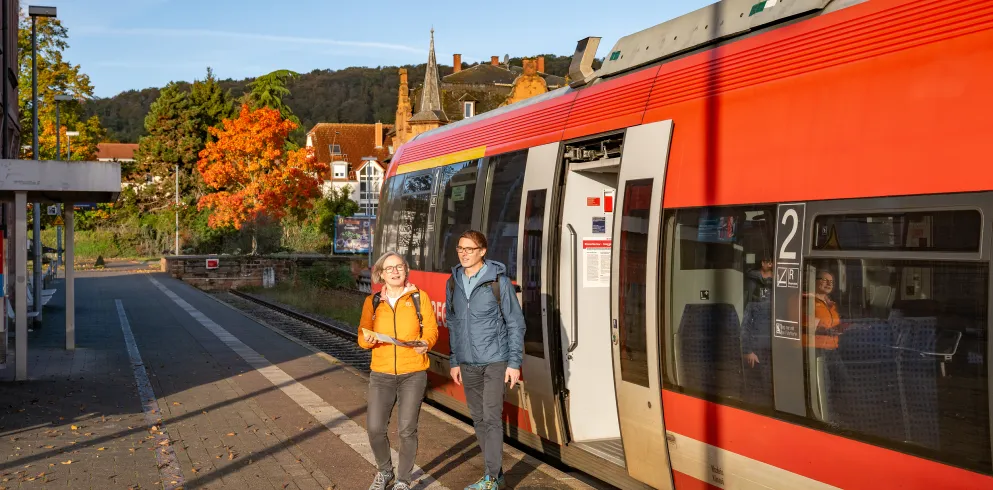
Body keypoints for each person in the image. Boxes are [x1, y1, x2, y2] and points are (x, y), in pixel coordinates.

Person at [445, 230, 526, 490]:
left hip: (495, 360)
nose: (464, 253)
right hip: (467, 363)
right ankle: (496, 474)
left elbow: (515, 323)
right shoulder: (453, 282)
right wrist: (454, 360)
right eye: (460, 248)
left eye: (470, 249)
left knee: (491, 417)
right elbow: (453, 323)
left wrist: (514, 363)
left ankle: (491, 478)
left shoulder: (498, 282)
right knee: (478, 419)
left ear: (482, 251)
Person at [358, 252, 439, 490]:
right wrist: (368, 340)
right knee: (375, 428)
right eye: (389, 268)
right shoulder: (373, 302)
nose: (395, 271)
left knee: (407, 430)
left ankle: (403, 480)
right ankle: (385, 471)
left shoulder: (419, 297)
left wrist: (426, 343)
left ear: (406, 270)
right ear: (381, 274)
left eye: (399, 267)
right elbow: (362, 335)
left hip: (413, 373)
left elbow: (431, 330)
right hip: (381, 373)